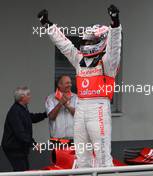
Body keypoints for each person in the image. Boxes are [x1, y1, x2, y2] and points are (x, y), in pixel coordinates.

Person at [37, 4, 122, 168]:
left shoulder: (108, 62)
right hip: (81, 107)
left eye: (90, 40)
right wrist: (49, 25)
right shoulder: (80, 60)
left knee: (102, 156)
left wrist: (115, 24)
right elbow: (65, 45)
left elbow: (115, 47)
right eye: (85, 39)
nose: (86, 42)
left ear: (100, 41)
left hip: (98, 107)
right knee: (81, 156)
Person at [1, 86, 47, 171]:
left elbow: (30, 118)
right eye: (28, 95)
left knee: (23, 170)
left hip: (19, 147)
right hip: (13, 148)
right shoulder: (15, 111)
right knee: (22, 170)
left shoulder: (22, 109)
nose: (30, 96)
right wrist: (34, 144)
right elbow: (20, 133)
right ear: (22, 97)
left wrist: (45, 115)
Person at [45, 75, 77, 140]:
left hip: (74, 138)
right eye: (67, 83)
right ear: (59, 84)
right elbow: (51, 117)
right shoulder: (50, 98)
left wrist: (67, 106)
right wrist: (60, 103)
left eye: (70, 83)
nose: (70, 85)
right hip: (57, 139)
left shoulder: (76, 97)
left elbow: (79, 116)